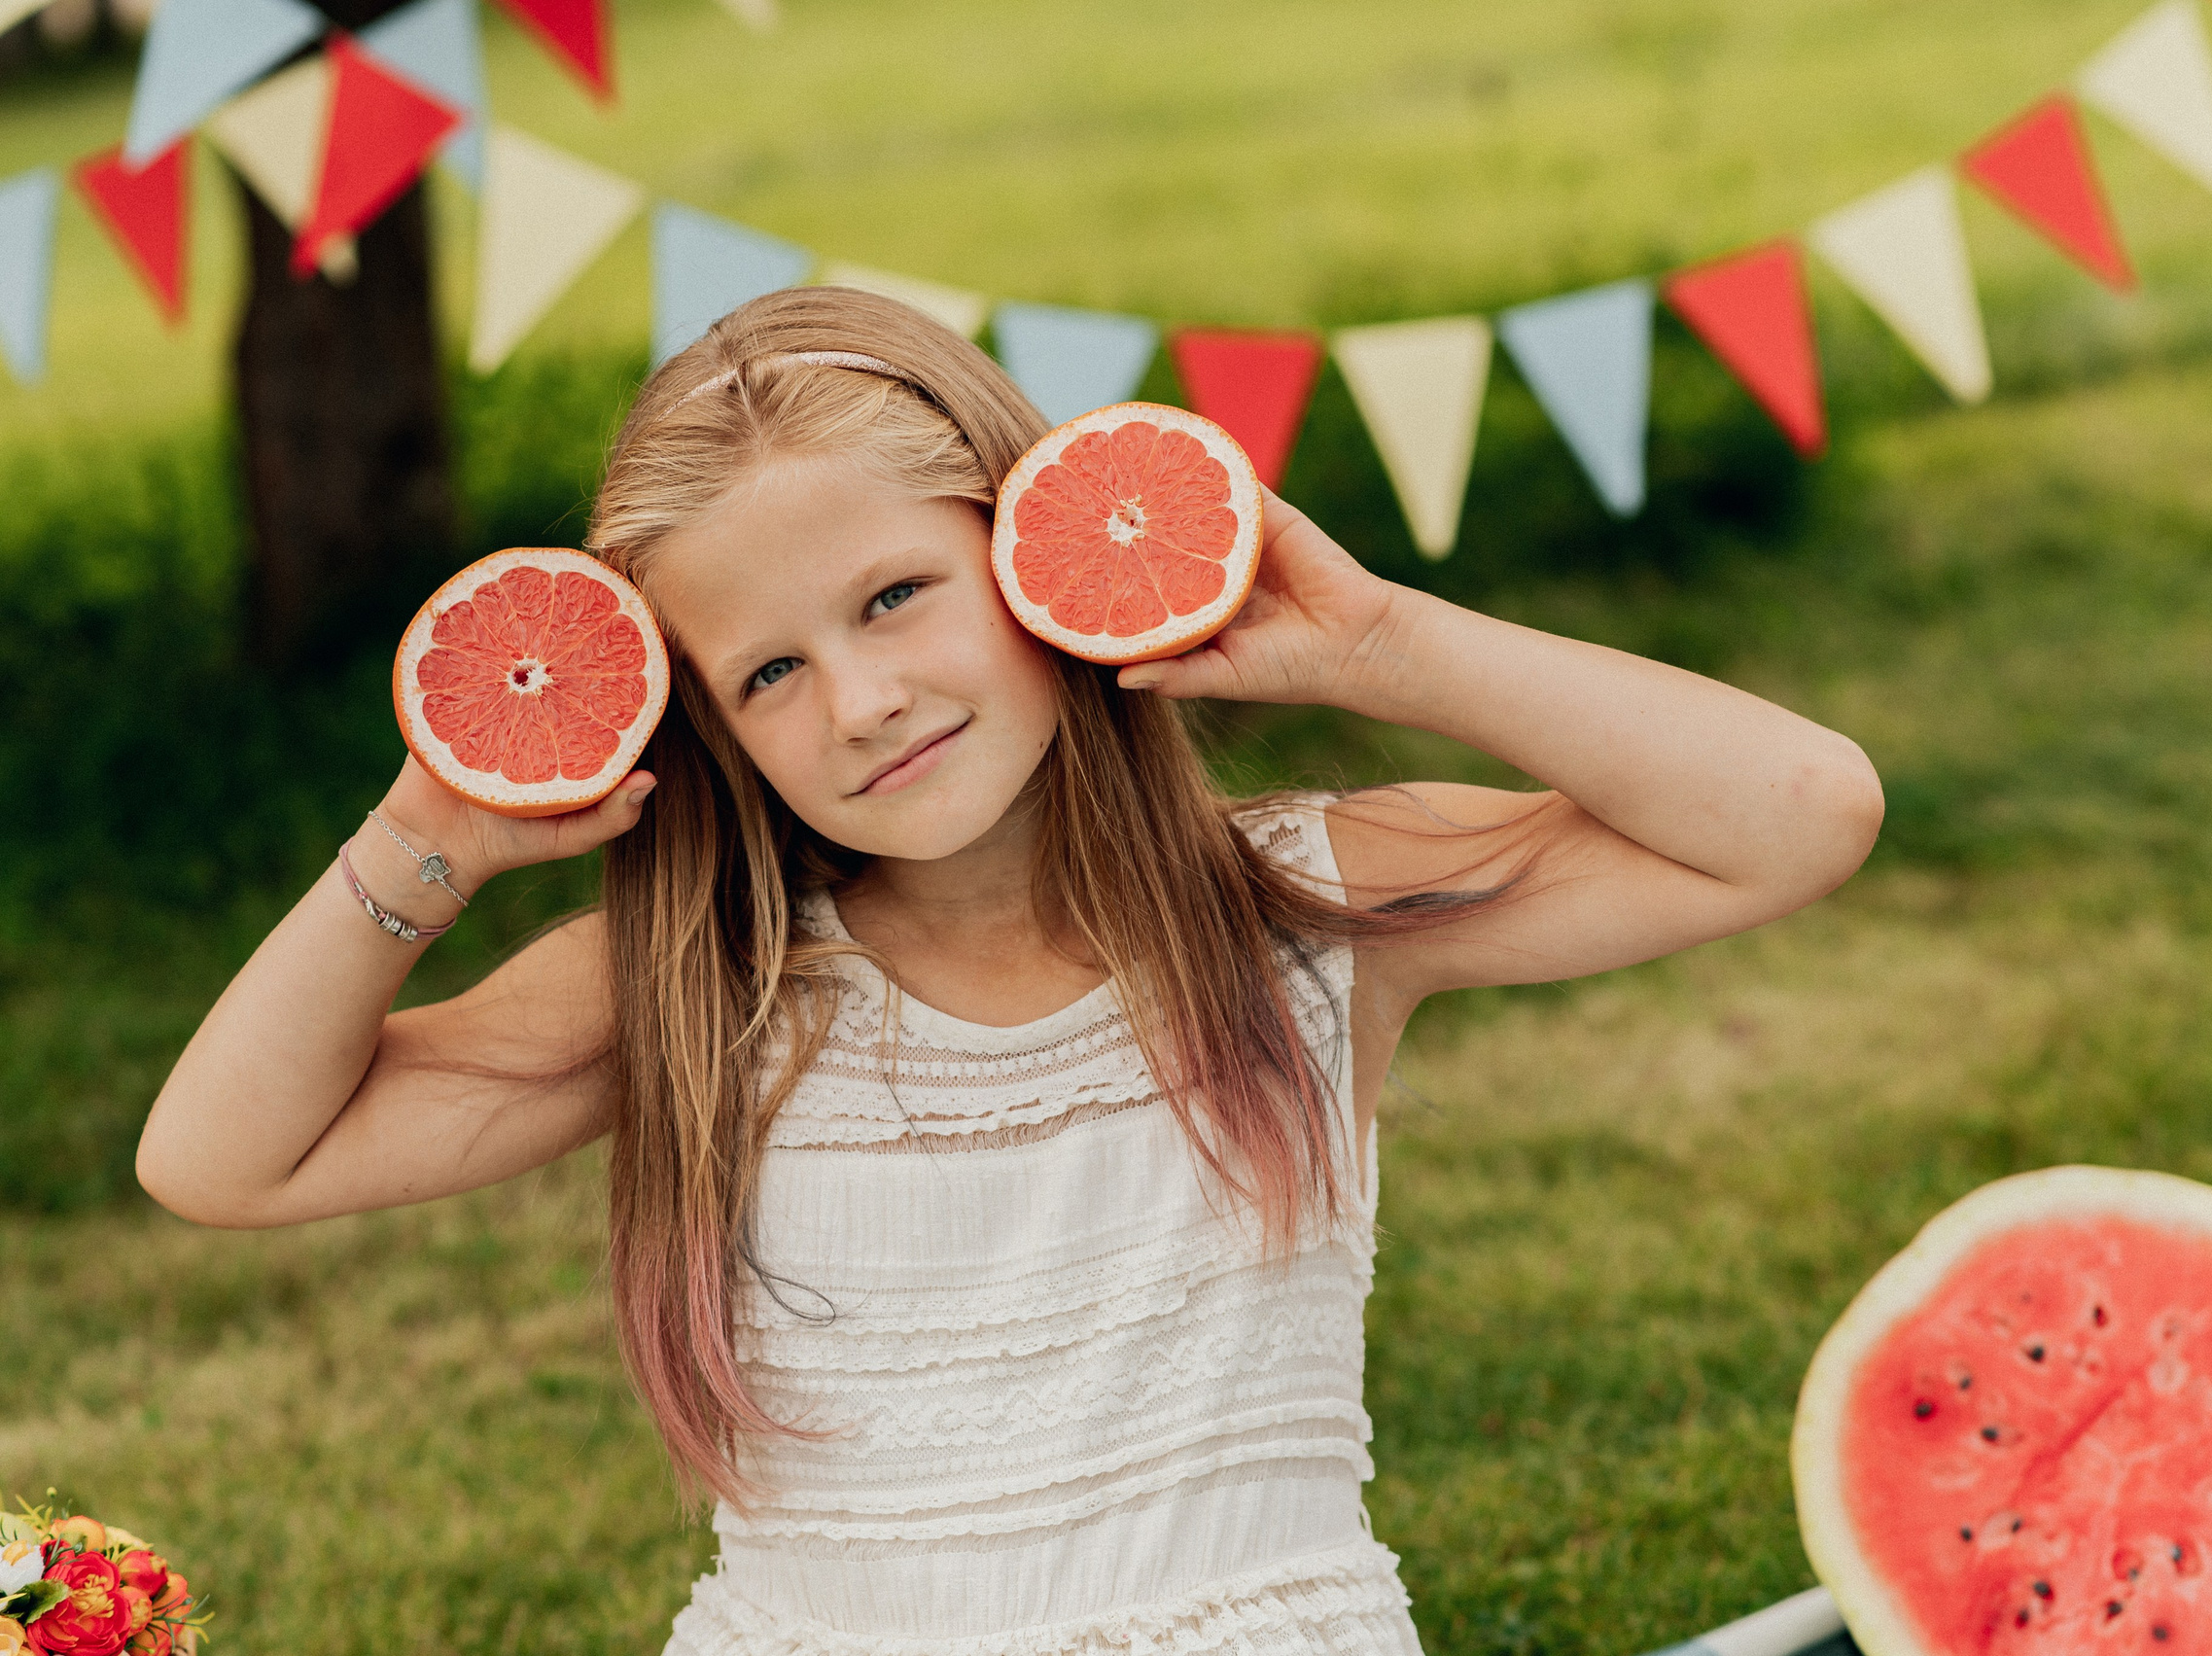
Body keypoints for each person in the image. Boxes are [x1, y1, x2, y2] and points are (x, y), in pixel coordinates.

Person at [135, 287, 1883, 1654]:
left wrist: (1380, 641)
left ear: (1034, 546)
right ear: (713, 732)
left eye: (896, 597)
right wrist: (428, 838)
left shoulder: (1293, 910)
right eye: (768, 675)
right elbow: (220, 1160)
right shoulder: (705, 990)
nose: (862, 700)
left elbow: (1798, 812)